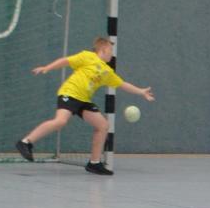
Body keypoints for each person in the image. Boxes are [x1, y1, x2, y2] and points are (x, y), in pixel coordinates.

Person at [18, 37, 154, 175]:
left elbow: (123, 84)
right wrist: (47, 68)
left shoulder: (107, 71)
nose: (112, 54)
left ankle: (94, 163)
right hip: (70, 93)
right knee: (60, 121)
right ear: (103, 49)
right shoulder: (87, 56)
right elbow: (66, 61)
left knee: (103, 126)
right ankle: (26, 142)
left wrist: (141, 91)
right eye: (110, 50)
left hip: (84, 100)